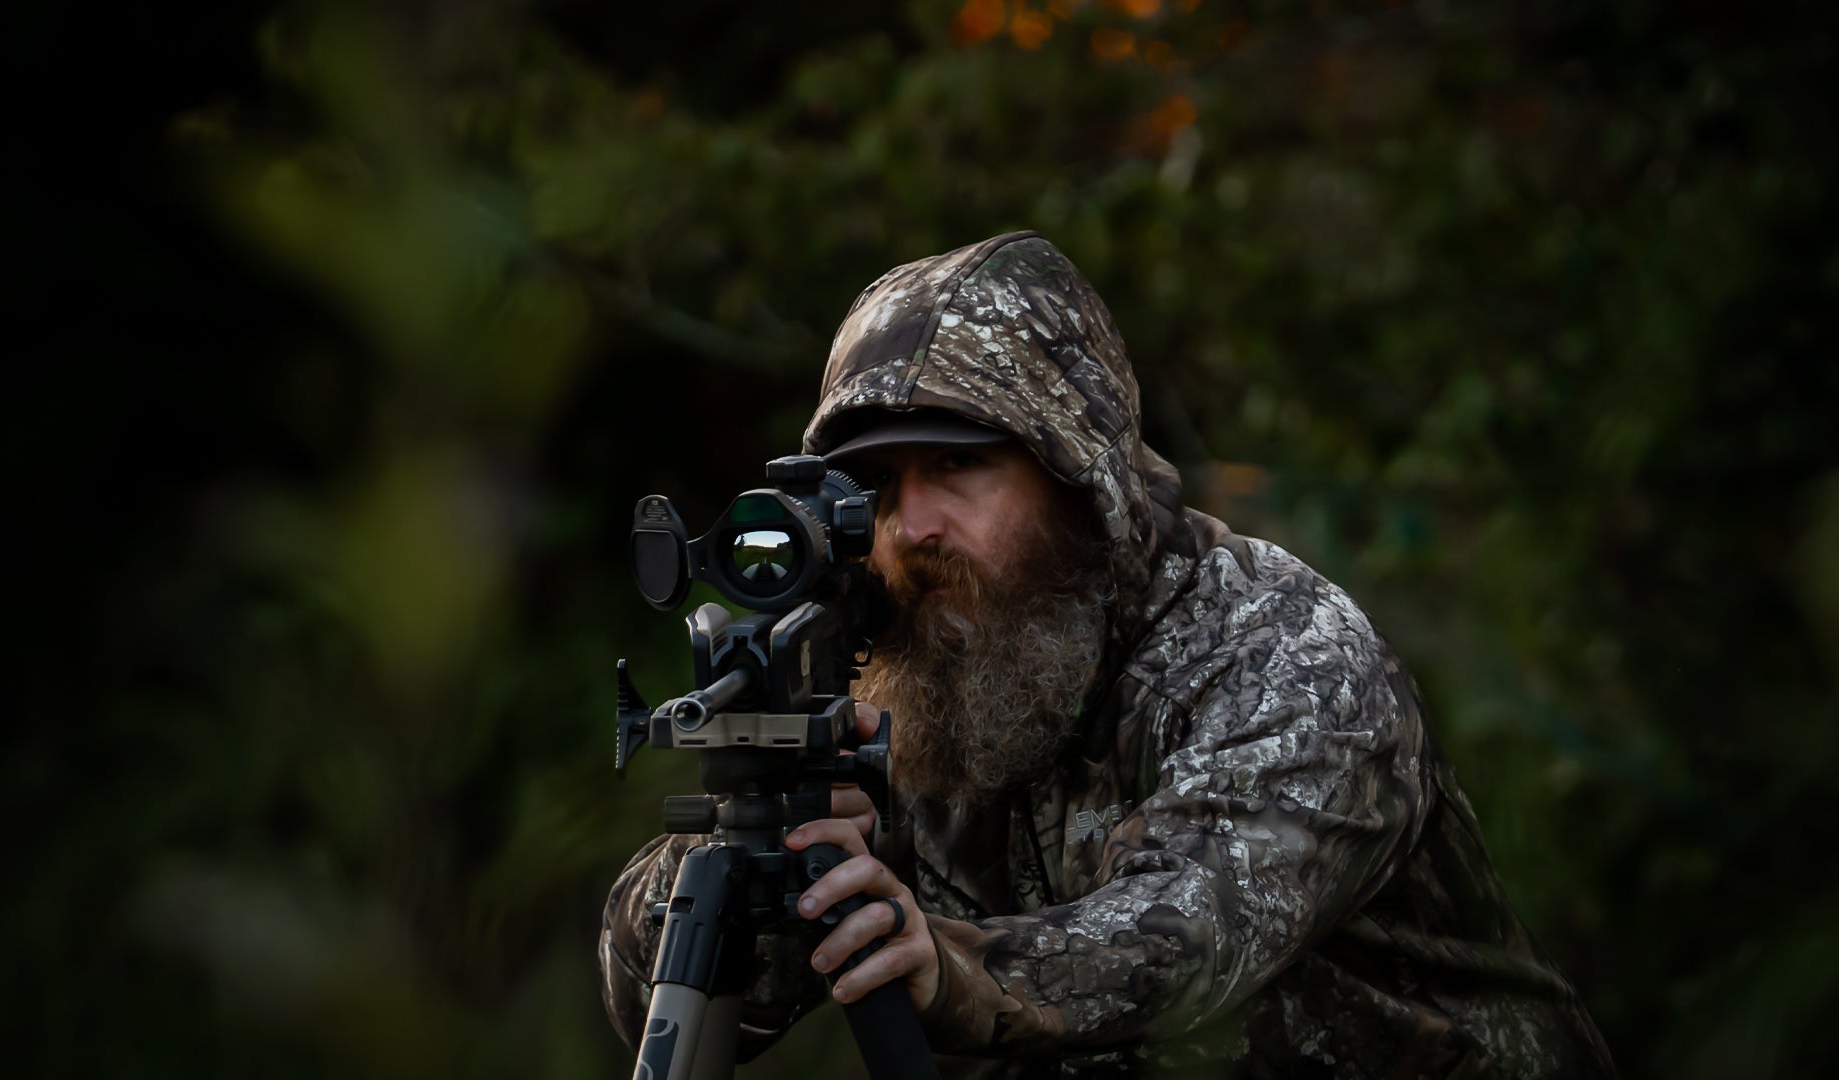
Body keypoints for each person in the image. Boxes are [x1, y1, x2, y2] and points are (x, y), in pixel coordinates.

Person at [600, 232, 1615, 1077]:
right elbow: (652, 992)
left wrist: (953, 971)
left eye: (956, 464)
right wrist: (758, 850)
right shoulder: (917, 668)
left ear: (1078, 478)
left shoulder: (1281, 650)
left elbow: (1191, 935)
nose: (912, 526)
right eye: (878, 486)